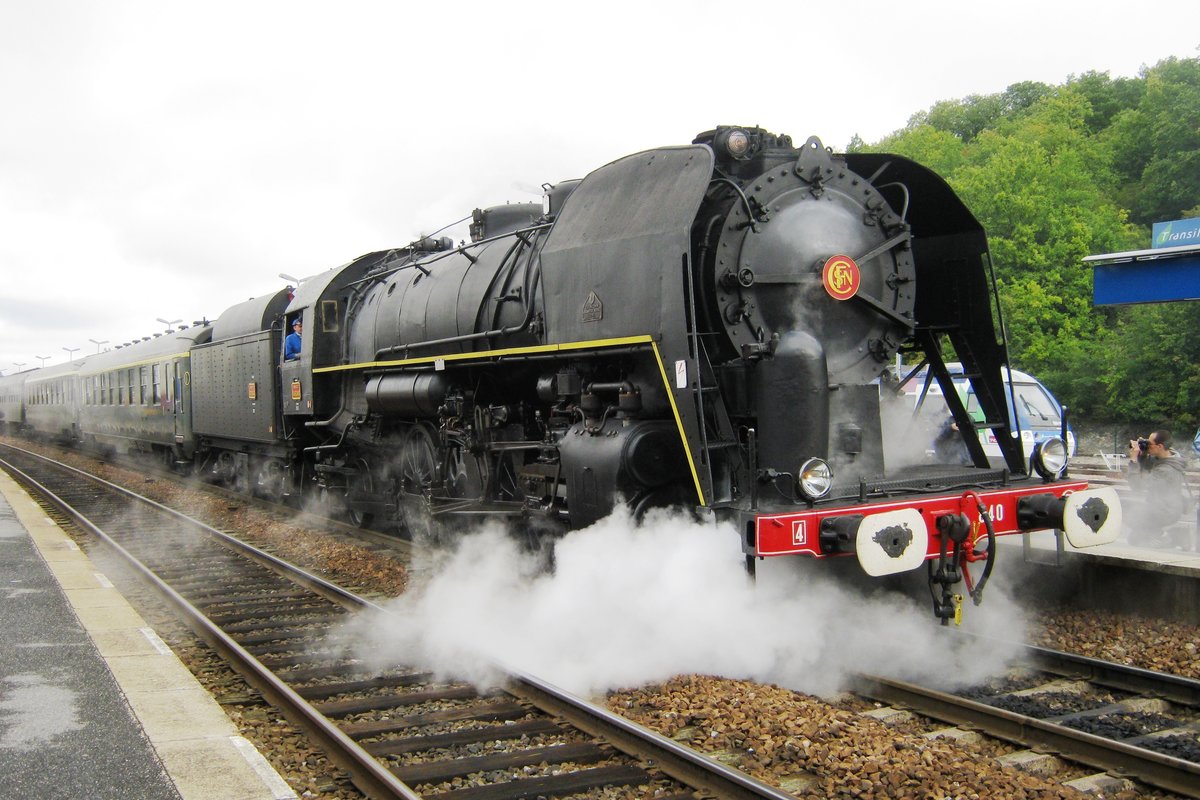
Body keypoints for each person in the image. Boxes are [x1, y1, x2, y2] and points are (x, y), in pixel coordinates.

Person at [1123, 429, 1187, 546]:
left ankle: (1167, 536)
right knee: (1135, 539)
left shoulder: (1166, 470)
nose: (1147, 445)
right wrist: (1142, 452)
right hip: (1163, 506)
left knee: (1125, 510)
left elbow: (1137, 486)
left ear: (1160, 446)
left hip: (1165, 511)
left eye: (1149, 443)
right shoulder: (1167, 457)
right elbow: (1147, 464)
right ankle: (1156, 534)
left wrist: (1133, 460)